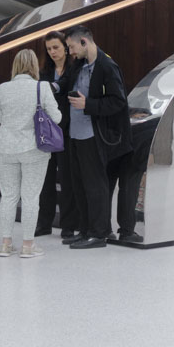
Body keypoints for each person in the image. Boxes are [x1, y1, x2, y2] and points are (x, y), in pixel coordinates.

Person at [61, 25, 129, 250]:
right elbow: (65, 84)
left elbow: (118, 102)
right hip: (75, 135)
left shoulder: (107, 66)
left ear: (84, 42)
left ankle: (99, 233)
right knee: (79, 185)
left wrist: (87, 104)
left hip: (94, 136)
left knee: (95, 185)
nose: (69, 52)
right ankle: (86, 230)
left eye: (71, 47)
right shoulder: (78, 65)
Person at [0, 47, 60, 258]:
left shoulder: (2, 88)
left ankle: (5, 244)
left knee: (9, 196)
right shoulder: (42, 87)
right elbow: (56, 117)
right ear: (34, 66)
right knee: (30, 197)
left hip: (4, 147)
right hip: (33, 148)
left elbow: (0, 118)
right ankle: (28, 246)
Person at [34, 32, 73, 240]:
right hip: (47, 130)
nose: (53, 52)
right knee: (46, 179)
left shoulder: (75, 68)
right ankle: (44, 223)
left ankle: (68, 225)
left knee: (67, 179)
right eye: (49, 49)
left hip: (69, 130)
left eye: (56, 47)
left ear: (65, 47)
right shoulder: (44, 72)